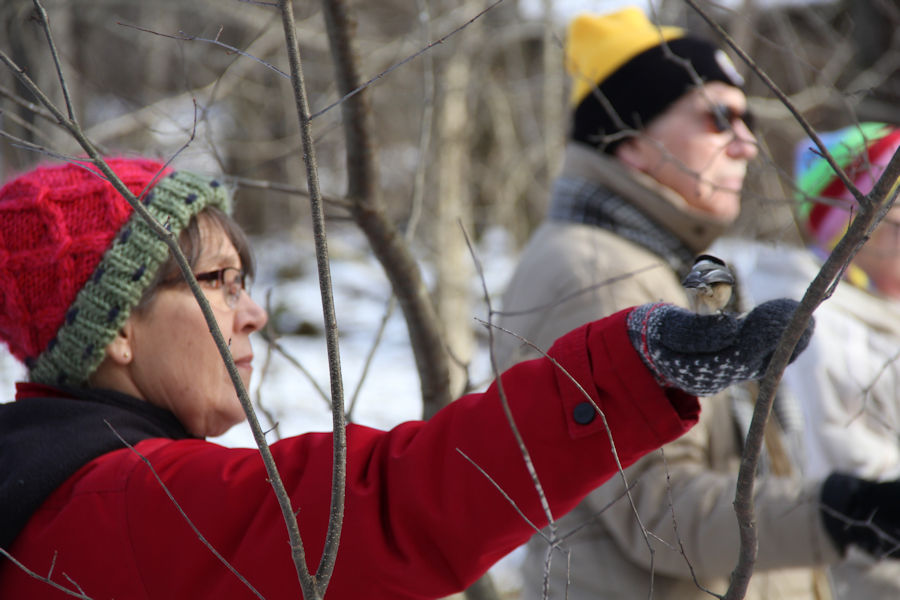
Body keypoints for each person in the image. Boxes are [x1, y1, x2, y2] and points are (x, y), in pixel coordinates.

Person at [0, 157, 811, 599]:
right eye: (217, 282)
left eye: (249, 282)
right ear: (114, 330)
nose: (253, 315)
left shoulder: (58, 493)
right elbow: (391, 501)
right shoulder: (131, 504)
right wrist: (636, 363)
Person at [495, 8, 900, 600]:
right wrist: (851, 512)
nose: (746, 143)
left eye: (747, 121)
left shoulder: (655, 265)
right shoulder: (597, 274)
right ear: (631, 142)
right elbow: (659, 518)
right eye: (718, 118)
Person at [715, 122, 900, 599]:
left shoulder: (881, 309)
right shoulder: (817, 324)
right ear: (852, 223)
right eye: (898, 215)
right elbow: (841, 465)